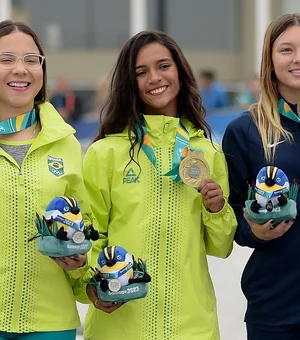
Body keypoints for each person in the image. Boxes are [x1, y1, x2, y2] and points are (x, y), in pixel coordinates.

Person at [78, 30, 237, 340]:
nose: (154, 77)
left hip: (192, 327)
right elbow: (90, 237)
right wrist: (96, 288)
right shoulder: (105, 153)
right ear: (130, 83)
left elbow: (221, 246)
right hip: (119, 325)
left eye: (163, 66)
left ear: (179, 71)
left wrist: (216, 209)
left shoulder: (207, 153)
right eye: (141, 71)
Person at [0, 20, 91, 340]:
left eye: (31, 60)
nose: (20, 69)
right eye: (6, 59)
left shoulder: (67, 144)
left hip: (49, 323)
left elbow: (87, 225)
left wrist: (80, 262)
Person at [222, 13, 300, 340]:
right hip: (277, 305)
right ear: (269, 58)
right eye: (286, 50)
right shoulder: (246, 131)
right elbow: (233, 216)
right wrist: (256, 232)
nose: (297, 58)